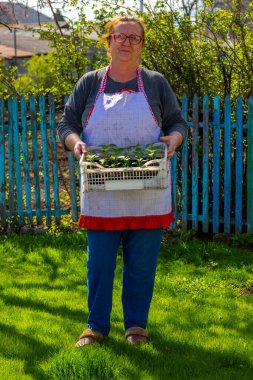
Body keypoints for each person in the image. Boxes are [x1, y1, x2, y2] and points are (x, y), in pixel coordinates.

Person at [57, 15, 188, 346]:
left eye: (135, 37)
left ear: (142, 44)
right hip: (102, 189)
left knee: (141, 267)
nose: (127, 42)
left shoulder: (156, 83)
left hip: (148, 188)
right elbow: (66, 125)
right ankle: (96, 326)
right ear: (108, 41)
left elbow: (178, 123)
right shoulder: (90, 82)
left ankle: (136, 328)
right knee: (98, 266)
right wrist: (77, 144)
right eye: (121, 36)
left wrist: (174, 140)